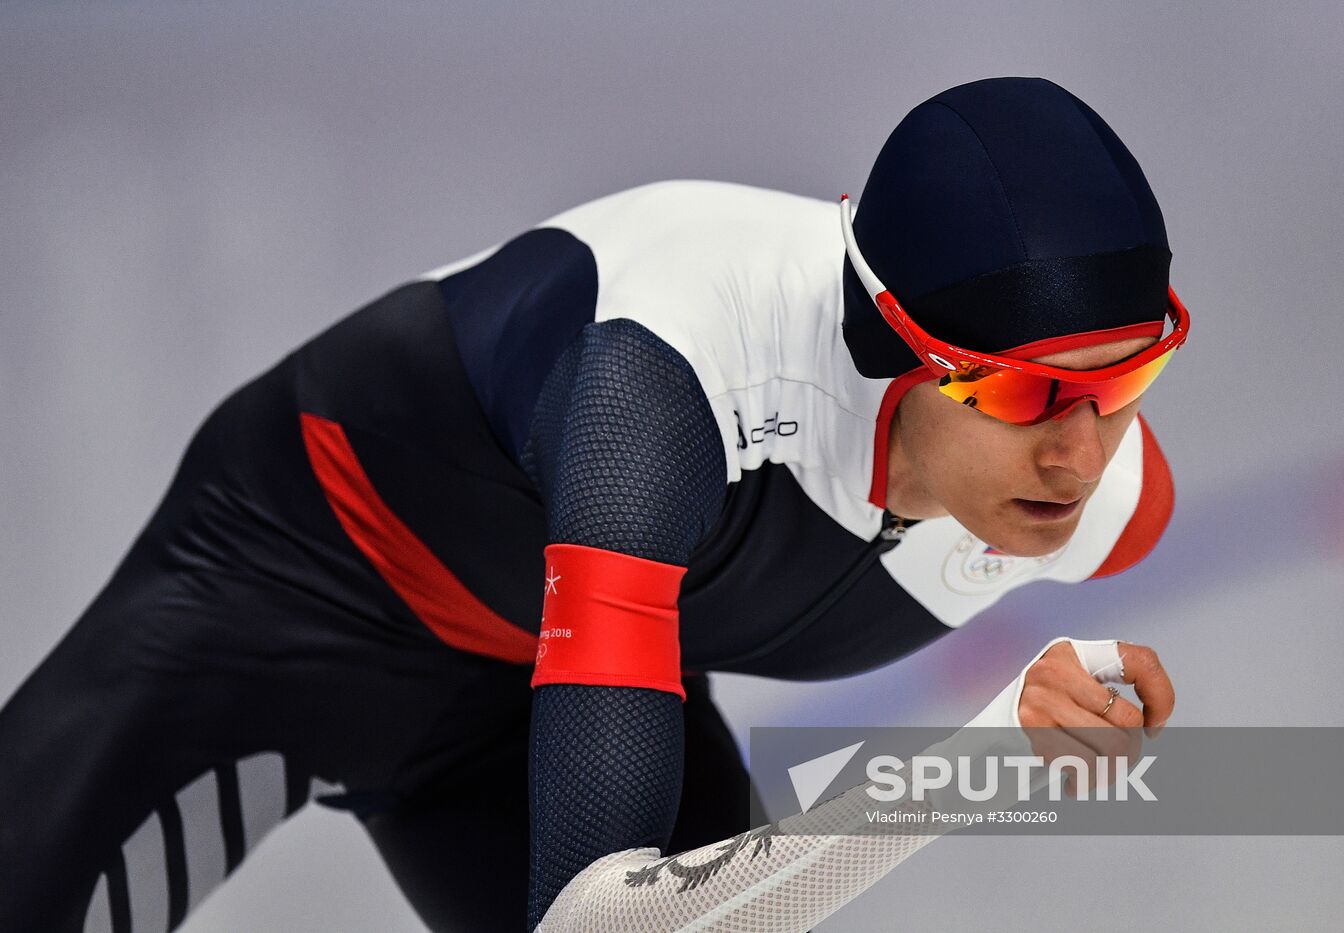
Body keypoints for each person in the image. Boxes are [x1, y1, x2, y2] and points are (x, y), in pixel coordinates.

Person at [0, 75, 1184, 932]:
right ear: (892, 342)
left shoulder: (1101, 499)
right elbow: (598, 922)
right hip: (286, 583)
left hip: (533, 697)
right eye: (1029, 393)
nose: (1078, 459)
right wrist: (975, 766)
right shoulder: (657, 382)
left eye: (1128, 378)